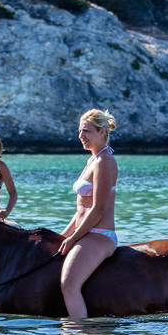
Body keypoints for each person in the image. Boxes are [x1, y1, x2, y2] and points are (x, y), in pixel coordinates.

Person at [57, 109, 118, 320]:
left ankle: (79, 332)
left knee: (69, 284)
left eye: (86, 131)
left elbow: (98, 208)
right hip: (84, 230)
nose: (81, 136)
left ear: (102, 132)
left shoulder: (105, 162)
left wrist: (74, 238)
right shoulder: (92, 160)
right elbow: (81, 209)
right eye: (80, 131)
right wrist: (63, 235)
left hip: (99, 234)